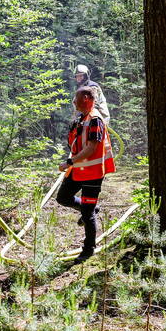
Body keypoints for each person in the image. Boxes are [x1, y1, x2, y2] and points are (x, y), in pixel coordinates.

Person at [57, 86, 116, 263]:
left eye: (76, 98)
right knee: (62, 198)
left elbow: (91, 148)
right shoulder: (82, 118)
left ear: (87, 99)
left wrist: (70, 162)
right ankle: (90, 208)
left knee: (88, 213)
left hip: (92, 173)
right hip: (78, 170)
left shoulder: (96, 120)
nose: (74, 102)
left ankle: (88, 250)